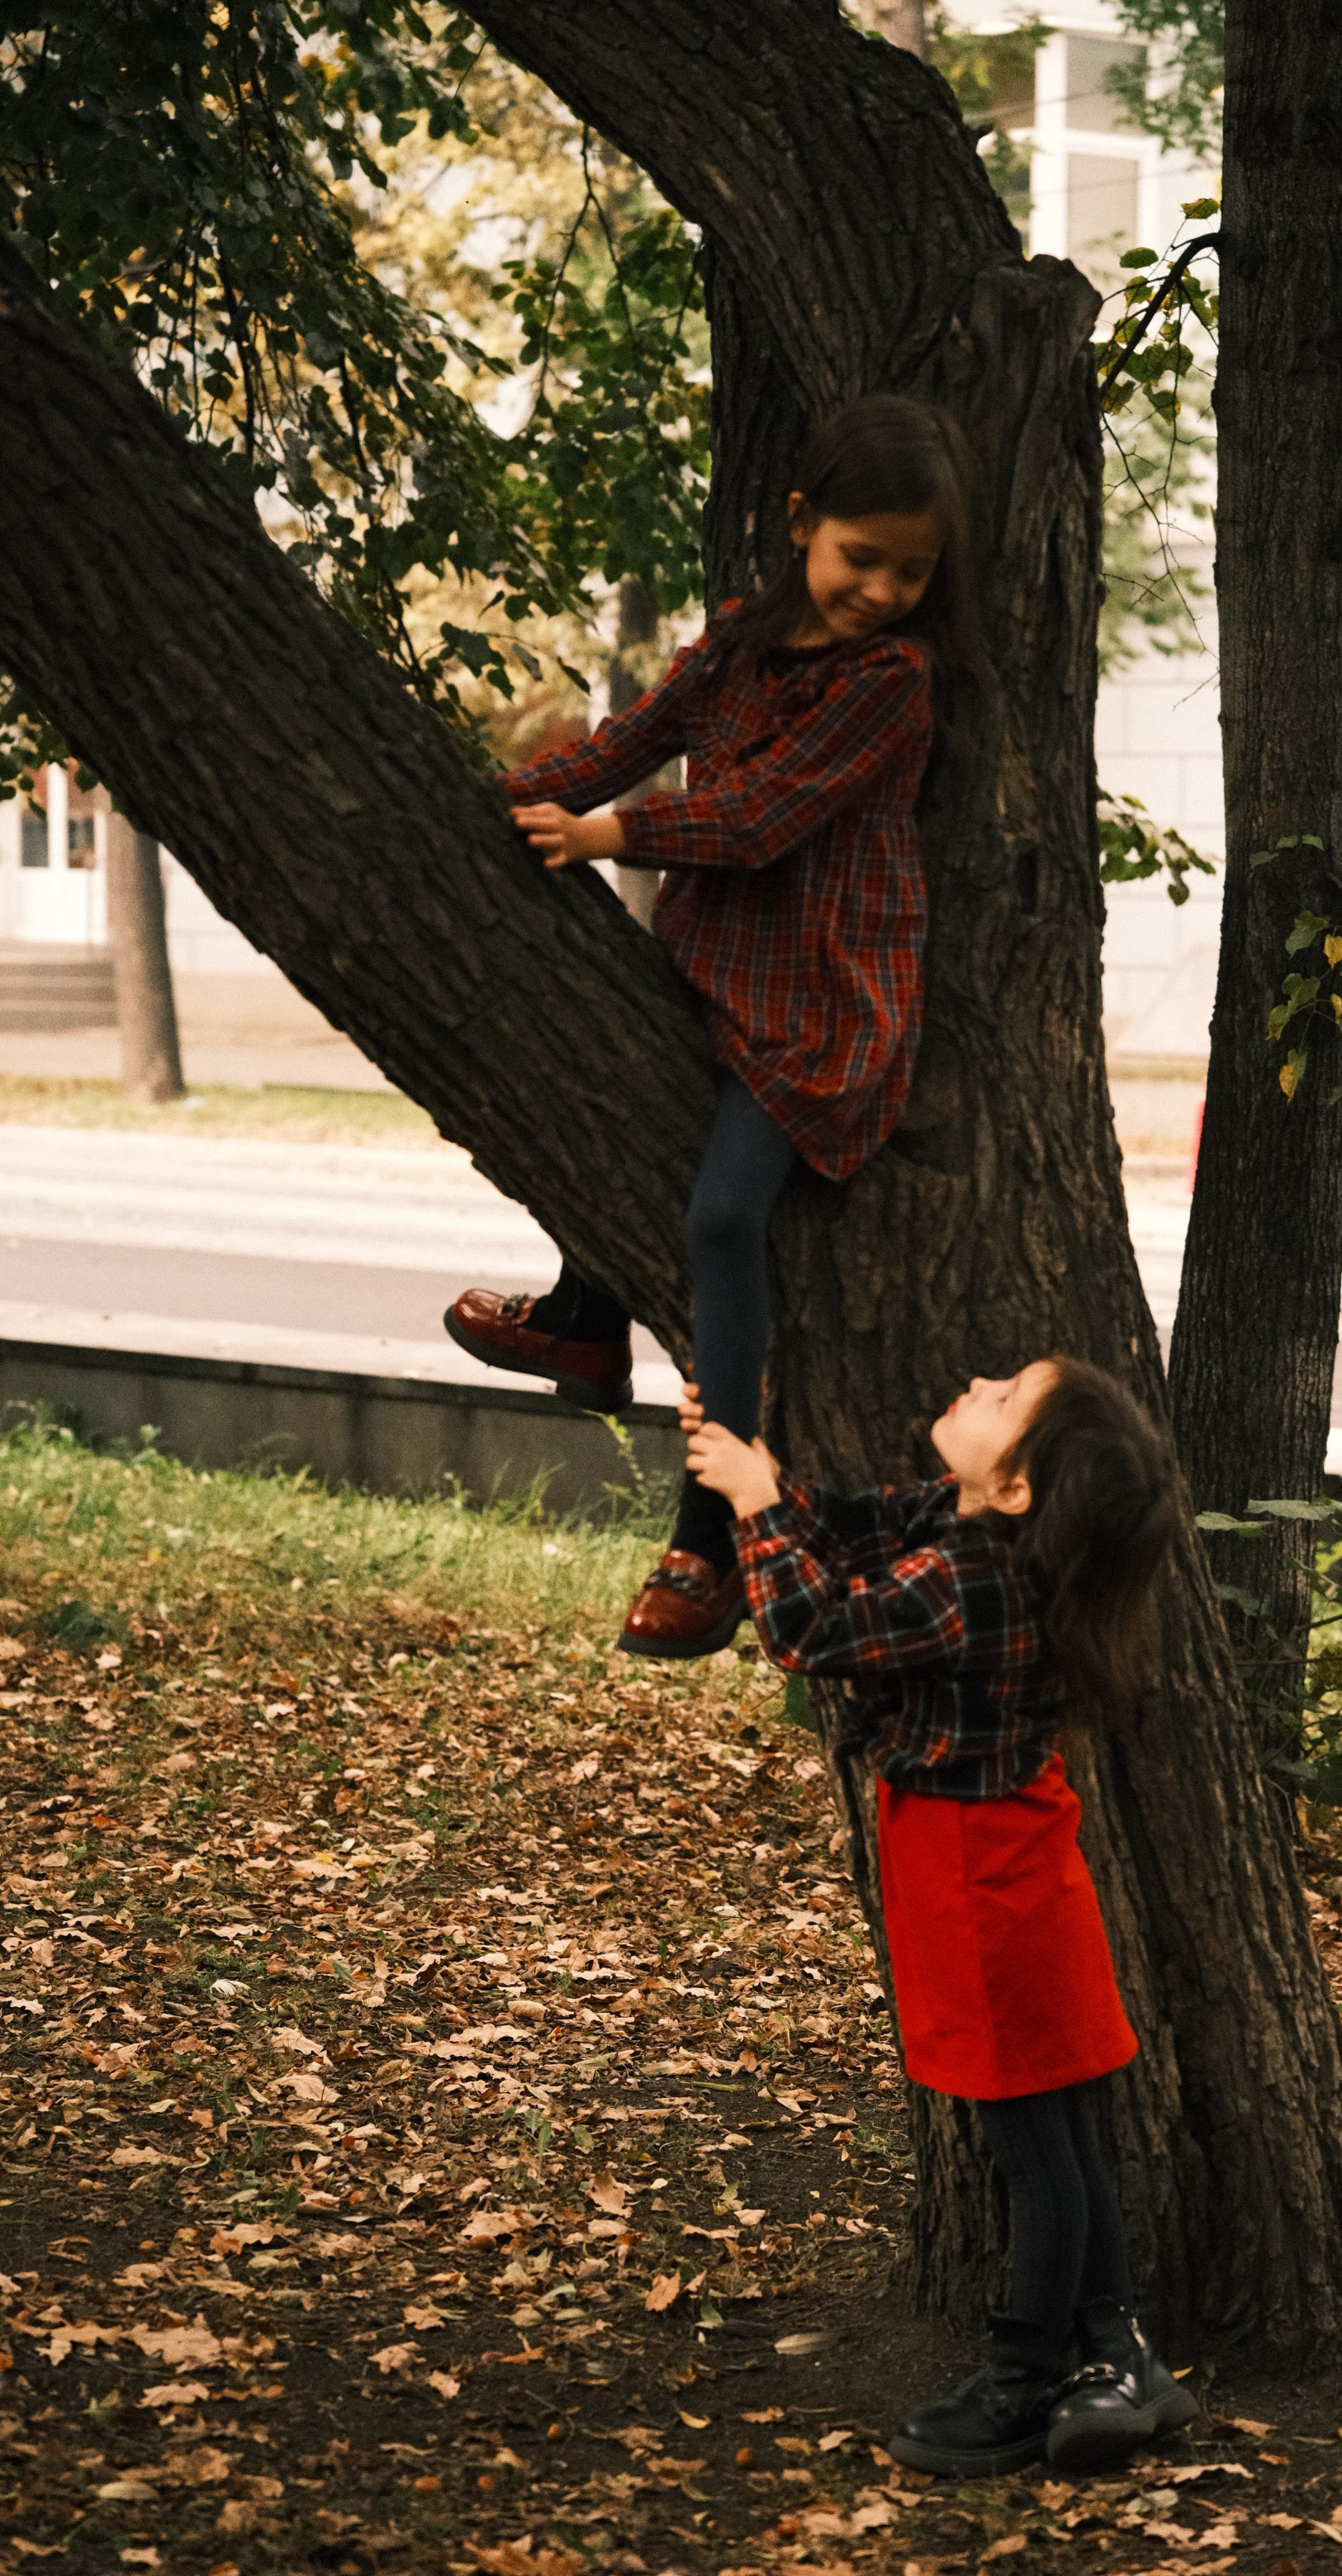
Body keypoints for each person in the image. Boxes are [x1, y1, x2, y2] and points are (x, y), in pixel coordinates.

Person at [443, 393, 978, 1661]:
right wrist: (487, 803)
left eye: (912, 572)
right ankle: (585, 1320)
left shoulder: (892, 682)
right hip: (712, 969)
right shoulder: (737, 641)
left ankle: (713, 1534)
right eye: (862, 557)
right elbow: (627, 742)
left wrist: (605, 835)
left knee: (726, 1218)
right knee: (601, 1099)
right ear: (800, 523)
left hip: (818, 1004)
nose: (883, 591)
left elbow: (760, 815)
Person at [683, 1354, 1197, 2479]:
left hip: (983, 1891)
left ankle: (1023, 2379)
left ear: (1016, 1488)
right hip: (1010, 1870)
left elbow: (811, 1631)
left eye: (1005, 1397)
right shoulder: (966, 1534)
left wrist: (758, 1509)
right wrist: (756, 1469)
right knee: (1066, 2137)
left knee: (1038, 2155)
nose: (976, 1380)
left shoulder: (969, 1579)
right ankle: (1119, 2359)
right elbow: (857, 1526)